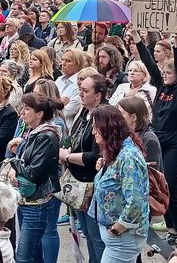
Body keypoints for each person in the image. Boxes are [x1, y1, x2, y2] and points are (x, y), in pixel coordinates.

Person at [133, 30, 177, 245]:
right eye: (164, 72)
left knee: (170, 185)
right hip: (157, 141)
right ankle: (171, 227)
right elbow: (150, 64)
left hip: (175, 143)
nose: (165, 75)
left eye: (169, 72)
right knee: (158, 185)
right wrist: (138, 40)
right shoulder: (161, 87)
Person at [90, 105, 149, 263]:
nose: (93, 132)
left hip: (124, 238)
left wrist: (119, 227)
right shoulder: (115, 151)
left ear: (109, 128)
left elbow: (136, 200)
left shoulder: (128, 156)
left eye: (96, 127)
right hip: (117, 237)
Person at [9, 92, 63, 263]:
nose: (22, 113)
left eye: (27, 109)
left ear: (39, 113)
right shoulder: (33, 132)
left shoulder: (47, 136)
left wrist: (14, 162)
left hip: (37, 203)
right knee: (34, 254)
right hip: (26, 199)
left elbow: (34, 172)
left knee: (24, 257)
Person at [59, 72, 106, 263]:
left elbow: (96, 155)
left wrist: (68, 156)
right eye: (80, 90)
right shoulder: (85, 111)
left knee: (96, 237)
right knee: (86, 231)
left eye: (85, 91)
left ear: (99, 95)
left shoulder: (102, 115)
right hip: (79, 183)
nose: (80, 94)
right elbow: (74, 138)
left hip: (92, 184)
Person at [118, 96, 163, 169]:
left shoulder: (149, 139)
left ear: (134, 117)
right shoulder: (124, 136)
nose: (118, 117)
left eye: (121, 114)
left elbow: (151, 173)